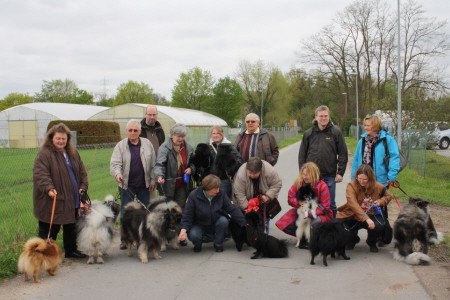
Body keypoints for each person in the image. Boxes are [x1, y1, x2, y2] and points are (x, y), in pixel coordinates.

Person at [33, 123, 88, 258]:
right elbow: (41, 174)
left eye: (63, 138)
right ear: (51, 138)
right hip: (52, 198)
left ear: (67, 139)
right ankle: (40, 256)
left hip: (72, 197)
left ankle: (70, 250)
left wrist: (83, 186)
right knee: (50, 229)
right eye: (58, 138)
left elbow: (82, 172)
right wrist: (49, 188)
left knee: (71, 225)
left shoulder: (73, 153)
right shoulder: (44, 154)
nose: (61, 141)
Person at [110, 119, 156, 249]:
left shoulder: (147, 144)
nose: (133, 132)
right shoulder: (120, 146)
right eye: (130, 130)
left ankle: (143, 237)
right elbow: (115, 164)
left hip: (144, 185)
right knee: (126, 213)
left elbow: (153, 164)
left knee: (144, 212)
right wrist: (118, 174)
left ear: (140, 131)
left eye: (135, 130)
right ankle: (125, 239)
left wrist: (153, 180)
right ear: (126, 131)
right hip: (126, 186)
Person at [298, 105, 348, 217]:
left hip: (329, 176)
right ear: (316, 117)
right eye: (321, 116)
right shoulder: (308, 133)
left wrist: (340, 172)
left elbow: (343, 153)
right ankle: (313, 229)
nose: (323, 118)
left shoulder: (336, 132)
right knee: (310, 204)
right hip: (311, 177)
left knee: (330, 204)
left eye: (326, 116)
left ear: (329, 117)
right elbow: (302, 155)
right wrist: (302, 174)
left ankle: (332, 229)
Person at [178, 175, 246, 252]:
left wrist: (245, 223)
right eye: (215, 188)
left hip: (216, 221)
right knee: (194, 235)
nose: (218, 190)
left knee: (223, 221)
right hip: (199, 223)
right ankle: (197, 244)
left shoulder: (221, 194)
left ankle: (218, 244)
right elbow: (187, 215)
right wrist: (183, 230)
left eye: (218, 187)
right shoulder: (193, 196)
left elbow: (233, 209)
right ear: (207, 188)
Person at [337, 164, 391, 253]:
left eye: (365, 179)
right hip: (353, 213)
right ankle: (352, 239)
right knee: (339, 223)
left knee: (379, 225)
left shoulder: (378, 186)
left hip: (372, 213)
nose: (361, 181)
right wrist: (366, 219)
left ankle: (371, 242)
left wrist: (380, 202)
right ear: (356, 177)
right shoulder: (351, 185)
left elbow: (388, 196)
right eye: (359, 178)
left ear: (370, 178)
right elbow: (353, 204)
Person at [276, 162, 333, 247]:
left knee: (314, 223)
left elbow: (326, 207)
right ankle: (302, 237)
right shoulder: (298, 183)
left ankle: (313, 239)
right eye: (303, 174)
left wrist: (311, 212)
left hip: (319, 213)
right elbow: (290, 198)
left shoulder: (322, 185)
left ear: (314, 174)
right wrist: (299, 202)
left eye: (307, 174)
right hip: (301, 210)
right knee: (283, 223)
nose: (304, 177)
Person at [351, 114, 400, 187]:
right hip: (363, 182)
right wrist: (353, 178)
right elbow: (356, 160)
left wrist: (391, 176)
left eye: (368, 126)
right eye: (365, 125)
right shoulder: (362, 141)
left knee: (380, 199)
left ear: (375, 127)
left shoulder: (387, 140)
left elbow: (394, 158)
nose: (365, 128)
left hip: (380, 182)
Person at [154, 123, 194, 207]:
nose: (180, 139)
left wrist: (191, 169)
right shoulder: (164, 148)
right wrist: (159, 176)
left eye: (182, 136)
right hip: (168, 186)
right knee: (168, 209)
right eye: (178, 136)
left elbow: (193, 163)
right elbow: (159, 164)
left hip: (183, 185)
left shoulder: (189, 148)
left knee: (180, 208)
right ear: (172, 135)